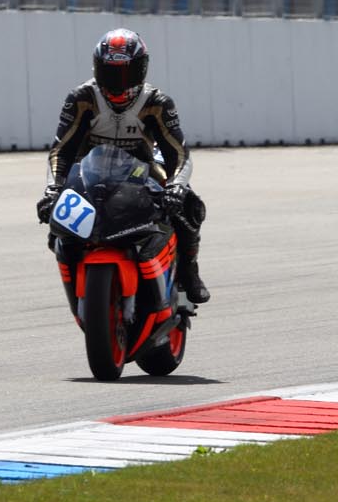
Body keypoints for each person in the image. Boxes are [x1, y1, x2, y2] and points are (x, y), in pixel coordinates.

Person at [36, 29, 210, 303]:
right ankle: (77, 281)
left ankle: (189, 271)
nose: (119, 82)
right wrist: (52, 189)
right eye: (111, 73)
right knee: (57, 226)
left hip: (142, 170)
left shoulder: (157, 102)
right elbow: (61, 149)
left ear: (142, 70)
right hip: (88, 173)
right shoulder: (82, 98)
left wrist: (176, 186)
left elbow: (178, 153)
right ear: (97, 69)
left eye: (127, 73)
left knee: (189, 205)